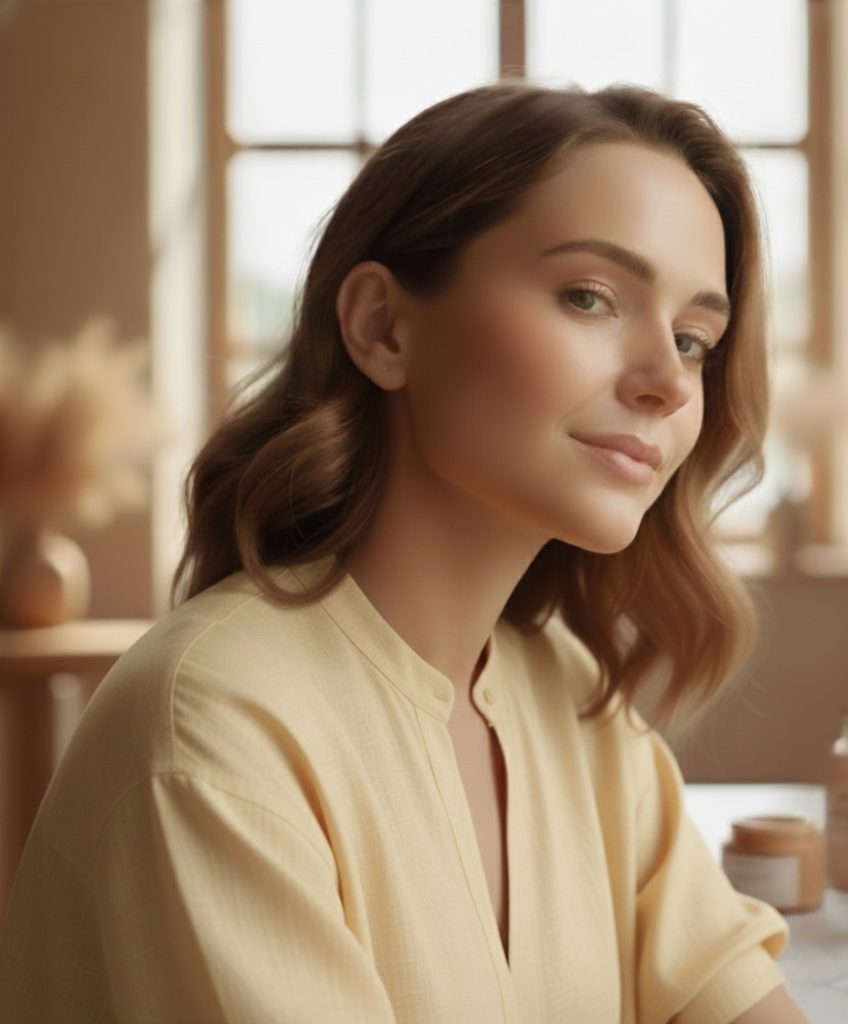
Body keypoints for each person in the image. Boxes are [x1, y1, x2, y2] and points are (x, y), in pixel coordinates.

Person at [0, 80, 810, 1023]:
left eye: (694, 338)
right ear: (384, 326)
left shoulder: (574, 701)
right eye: (590, 296)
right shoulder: (212, 730)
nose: (668, 380)